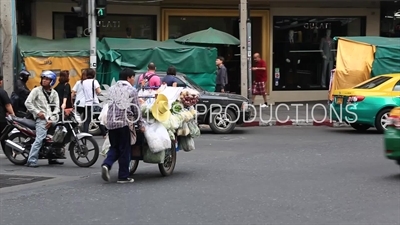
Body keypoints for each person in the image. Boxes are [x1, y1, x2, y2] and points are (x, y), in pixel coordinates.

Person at [101, 68, 145, 184]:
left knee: (114, 147)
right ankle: (123, 177)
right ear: (128, 78)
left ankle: (106, 164)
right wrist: (141, 124)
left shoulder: (111, 89)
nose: (133, 81)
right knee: (125, 149)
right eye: (133, 78)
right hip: (124, 123)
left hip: (111, 123)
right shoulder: (131, 90)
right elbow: (136, 110)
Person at [24, 71, 62, 167]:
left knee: (55, 138)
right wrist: (37, 112)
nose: (44, 80)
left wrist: (52, 119)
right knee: (40, 139)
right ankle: (31, 160)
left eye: (47, 79)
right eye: (43, 79)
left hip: (52, 119)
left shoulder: (54, 93)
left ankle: (52, 157)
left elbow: (57, 107)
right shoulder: (36, 91)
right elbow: (28, 103)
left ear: (52, 81)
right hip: (41, 119)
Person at [81, 68, 107, 138]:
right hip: (94, 103)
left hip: (86, 103)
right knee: (99, 119)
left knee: (86, 120)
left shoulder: (83, 82)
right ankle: (104, 134)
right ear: (93, 74)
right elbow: (99, 91)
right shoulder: (94, 82)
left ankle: (85, 135)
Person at [0, 75, 15, 152]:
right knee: (4, 136)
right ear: (0, 82)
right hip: (1, 119)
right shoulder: (2, 92)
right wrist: (13, 114)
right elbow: (7, 105)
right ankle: (8, 152)